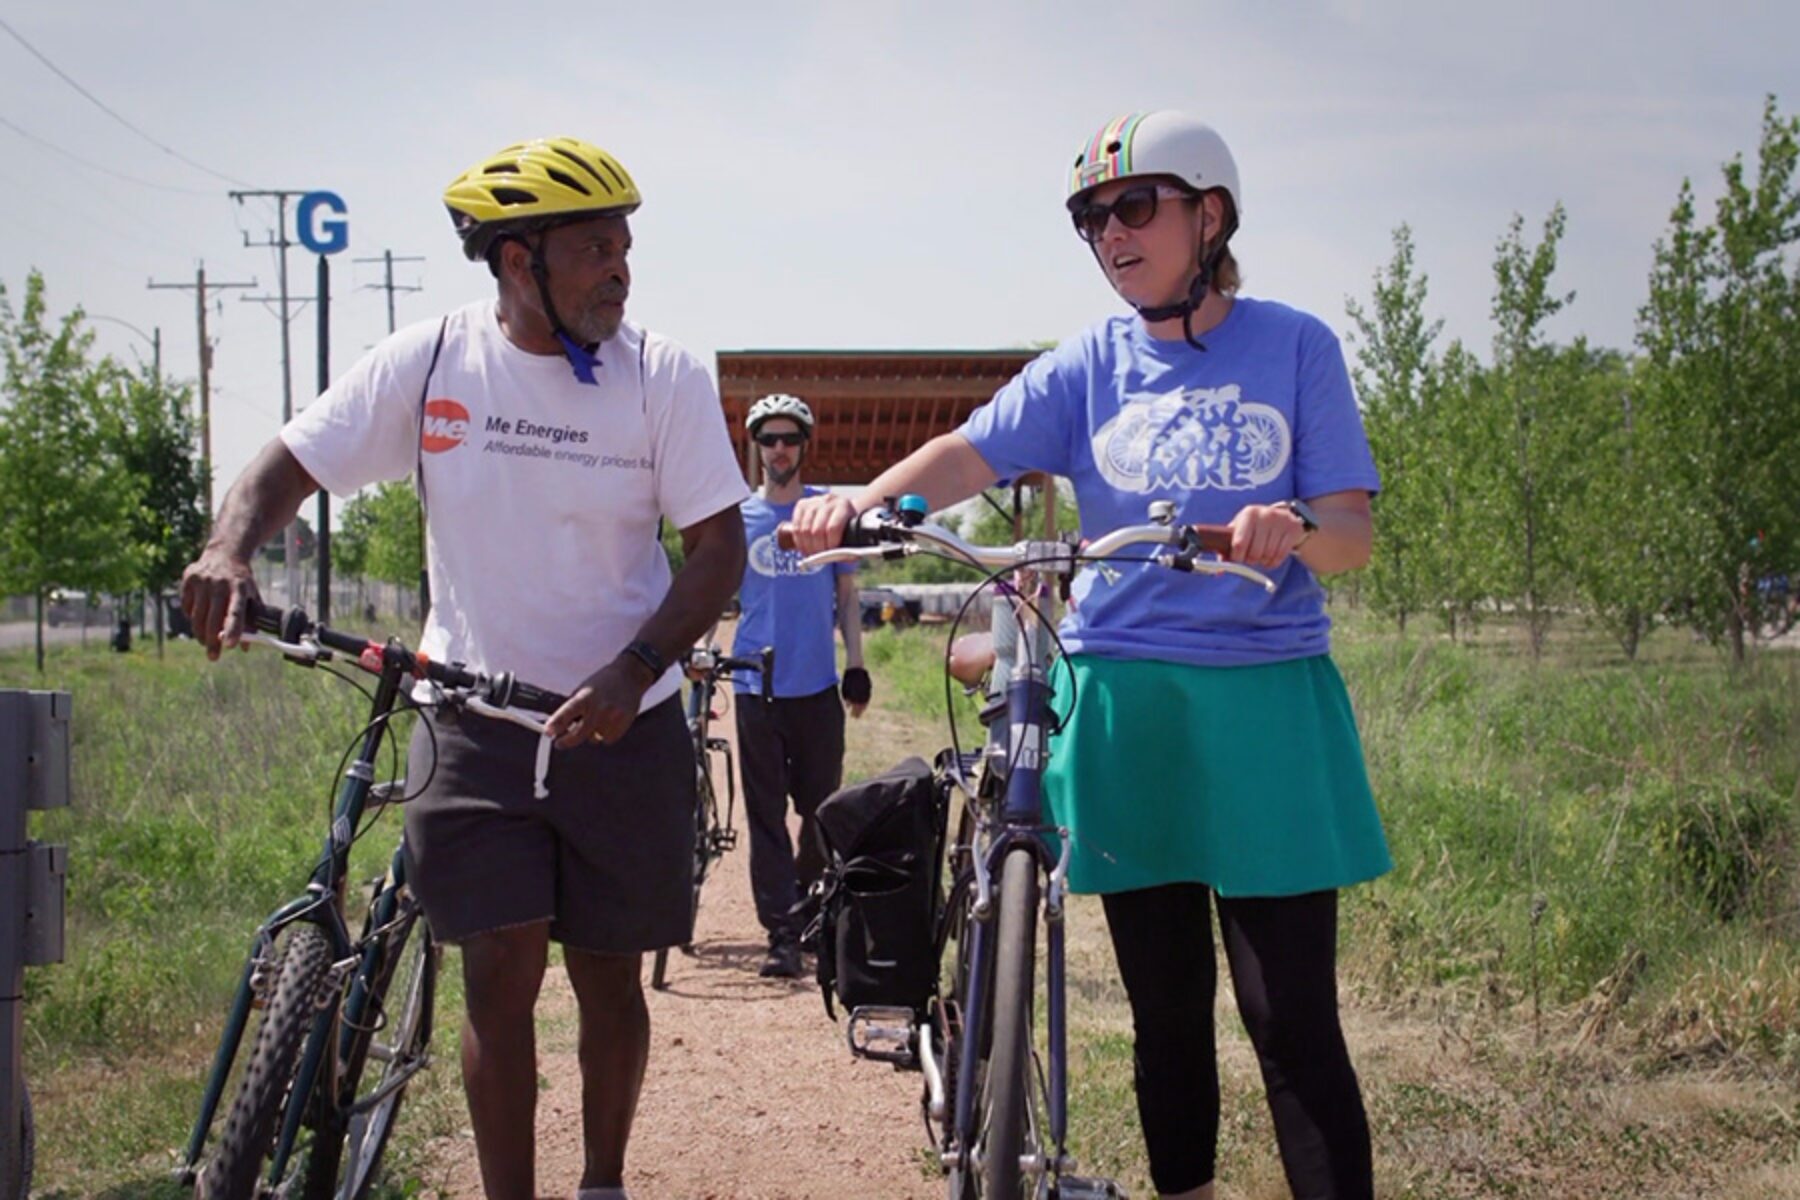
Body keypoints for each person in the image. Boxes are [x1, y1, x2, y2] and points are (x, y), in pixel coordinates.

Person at [790, 111, 1388, 1199]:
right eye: (1089, 218)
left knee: (1287, 1015)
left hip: (1264, 707)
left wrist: (1294, 526)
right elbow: (972, 449)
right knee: (1166, 1012)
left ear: (1210, 214)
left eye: (1132, 206)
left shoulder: (1296, 344)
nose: (1109, 232)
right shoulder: (1089, 364)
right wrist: (865, 503)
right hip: (1123, 701)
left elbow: (1351, 533)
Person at [180, 136, 748, 1200]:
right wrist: (229, 548)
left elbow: (720, 547)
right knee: (497, 974)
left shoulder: (659, 375)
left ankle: (604, 1181)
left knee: (608, 978)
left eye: (625, 245)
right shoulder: (433, 361)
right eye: (592, 249)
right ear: (516, 261)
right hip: (474, 721)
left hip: (625, 720)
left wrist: (634, 669)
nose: (619, 268)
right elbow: (287, 463)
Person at [731, 393, 869, 978]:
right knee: (764, 817)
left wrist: (856, 665)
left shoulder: (827, 513)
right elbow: (712, 590)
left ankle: (813, 913)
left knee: (819, 811)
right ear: (757, 448)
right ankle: (781, 932)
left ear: (804, 446)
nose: (780, 449)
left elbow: (847, 594)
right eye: (770, 440)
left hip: (815, 684)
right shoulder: (737, 517)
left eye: (790, 439)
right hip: (752, 683)